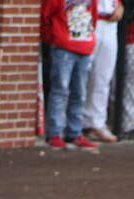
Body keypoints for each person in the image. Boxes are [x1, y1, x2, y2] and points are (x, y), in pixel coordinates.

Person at [42, 0, 100, 149]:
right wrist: (54, 37)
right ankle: (55, 133)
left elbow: (93, 16)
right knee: (60, 90)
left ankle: (74, 132)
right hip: (63, 46)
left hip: (84, 46)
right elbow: (45, 16)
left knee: (79, 92)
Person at [82, 0, 125, 142]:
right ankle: (70, 123)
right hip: (86, 20)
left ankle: (96, 123)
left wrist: (119, 5)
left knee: (103, 77)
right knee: (80, 75)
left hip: (110, 23)